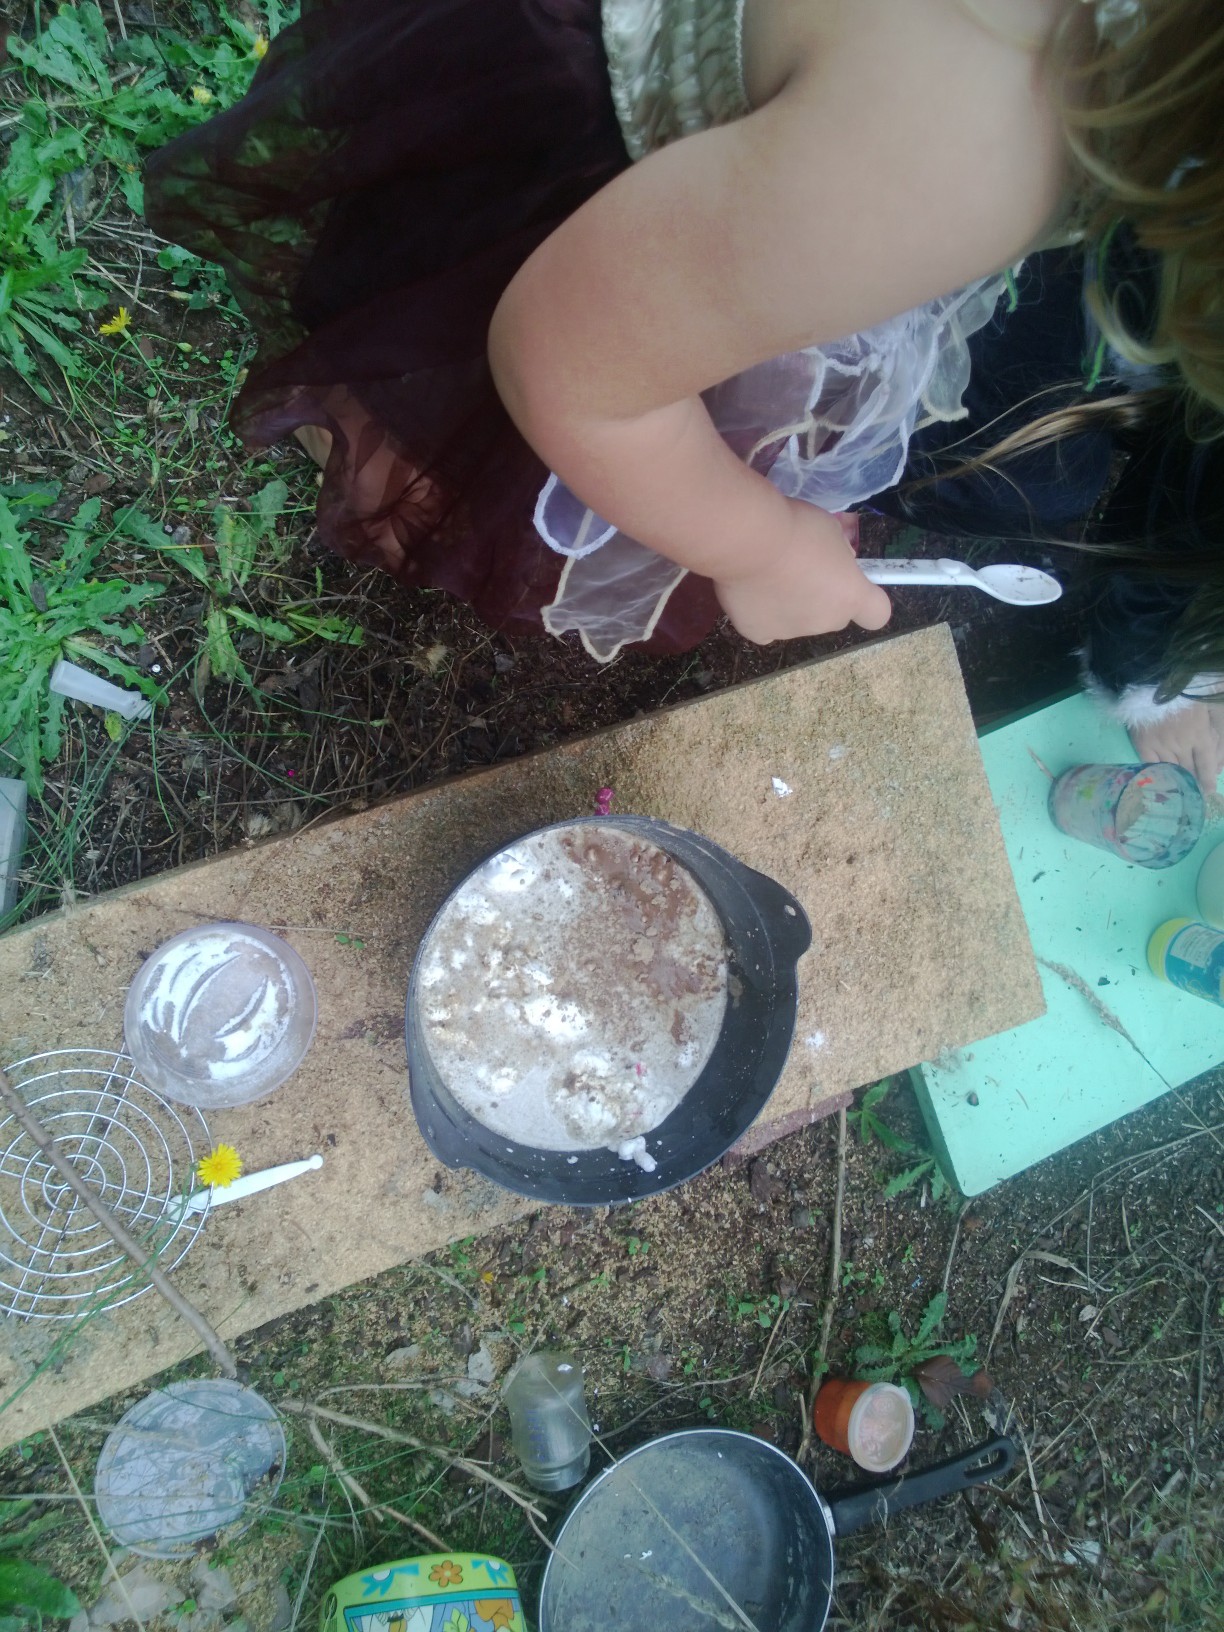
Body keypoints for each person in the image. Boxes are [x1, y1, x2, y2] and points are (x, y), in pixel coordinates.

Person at [144, 1, 1223, 670]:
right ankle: (363, 427)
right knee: (438, 362)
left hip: (690, 109)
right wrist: (766, 549)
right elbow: (575, 373)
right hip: (579, 178)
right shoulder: (973, 147)